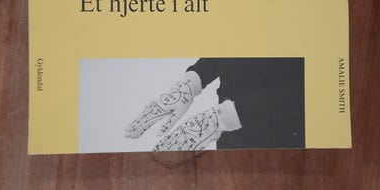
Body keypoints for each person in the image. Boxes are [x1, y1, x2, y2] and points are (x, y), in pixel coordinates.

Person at [124, 58, 305, 151]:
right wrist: (193, 81)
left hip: (282, 142)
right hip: (230, 138)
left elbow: (309, 86)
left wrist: (230, 116)